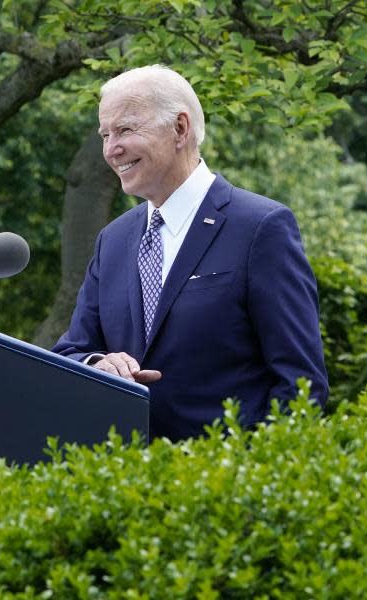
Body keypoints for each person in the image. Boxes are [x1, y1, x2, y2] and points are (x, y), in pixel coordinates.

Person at [53, 65, 328, 440]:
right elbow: (70, 352)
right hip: (122, 485)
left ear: (180, 129)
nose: (111, 149)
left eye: (126, 130)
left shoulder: (261, 228)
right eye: (105, 134)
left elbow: (301, 387)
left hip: (223, 486)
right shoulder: (112, 240)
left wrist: (246, 473)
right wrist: (98, 363)